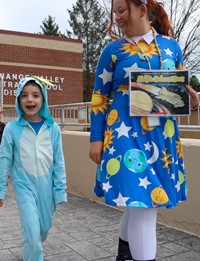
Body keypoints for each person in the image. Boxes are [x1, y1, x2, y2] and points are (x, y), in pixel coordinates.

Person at [89, 1, 199, 261]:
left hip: (161, 137)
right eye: (115, 12)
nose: (117, 17)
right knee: (144, 205)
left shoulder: (171, 46)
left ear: (142, 9)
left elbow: (179, 89)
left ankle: (124, 254)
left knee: (140, 202)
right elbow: (99, 96)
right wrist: (95, 138)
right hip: (123, 135)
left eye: (122, 10)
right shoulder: (112, 51)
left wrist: (192, 99)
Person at [0, 76, 67, 261]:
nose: (30, 99)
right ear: (18, 100)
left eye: (35, 95)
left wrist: (60, 190)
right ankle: (33, 254)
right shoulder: (12, 128)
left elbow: (59, 161)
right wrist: (1, 190)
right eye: (24, 96)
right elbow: (4, 159)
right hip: (24, 186)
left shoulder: (53, 128)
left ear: (43, 99)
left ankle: (34, 243)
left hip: (47, 189)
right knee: (31, 230)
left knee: (42, 230)